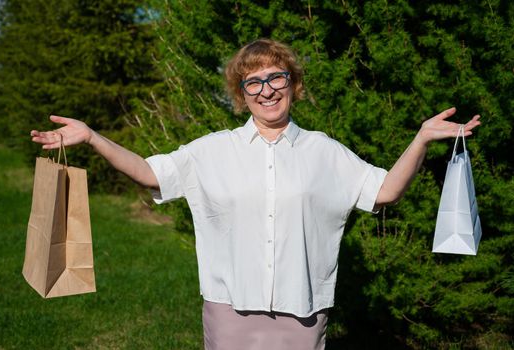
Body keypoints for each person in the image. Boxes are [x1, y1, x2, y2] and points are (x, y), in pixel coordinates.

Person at [30, 38, 481, 350]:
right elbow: (150, 173)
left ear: (293, 84)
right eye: (254, 83)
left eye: (276, 78)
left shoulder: (323, 151)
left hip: (301, 310)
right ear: (242, 95)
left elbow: (384, 191)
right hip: (231, 310)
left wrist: (420, 138)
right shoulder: (212, 150)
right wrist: (92, 138)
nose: (266, 90)